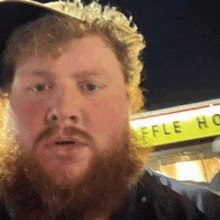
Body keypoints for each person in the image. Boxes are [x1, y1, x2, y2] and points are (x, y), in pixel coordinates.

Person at [0, 0, 219, 219]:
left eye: (91, 86)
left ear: (129, 101)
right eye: (39, 87)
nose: (64, 109)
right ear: (7, 104)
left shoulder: (203, 213)